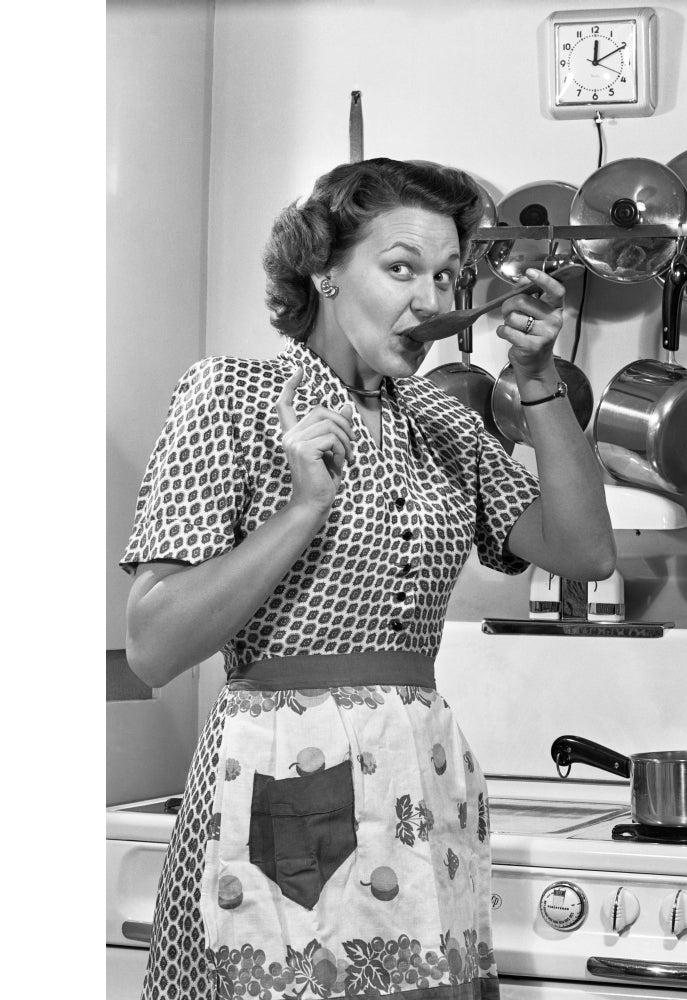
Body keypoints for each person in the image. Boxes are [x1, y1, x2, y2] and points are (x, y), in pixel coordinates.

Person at [121, 157, 616, 1000]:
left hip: (421, 800)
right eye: (399, 268)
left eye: (447, 275)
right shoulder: (234, 398)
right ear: (323, 271)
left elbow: (583, 551)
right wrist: (302, 509)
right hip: (278, 796)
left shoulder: (442, 422)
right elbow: (153, 644)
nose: (429, 300)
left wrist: (538, 386)